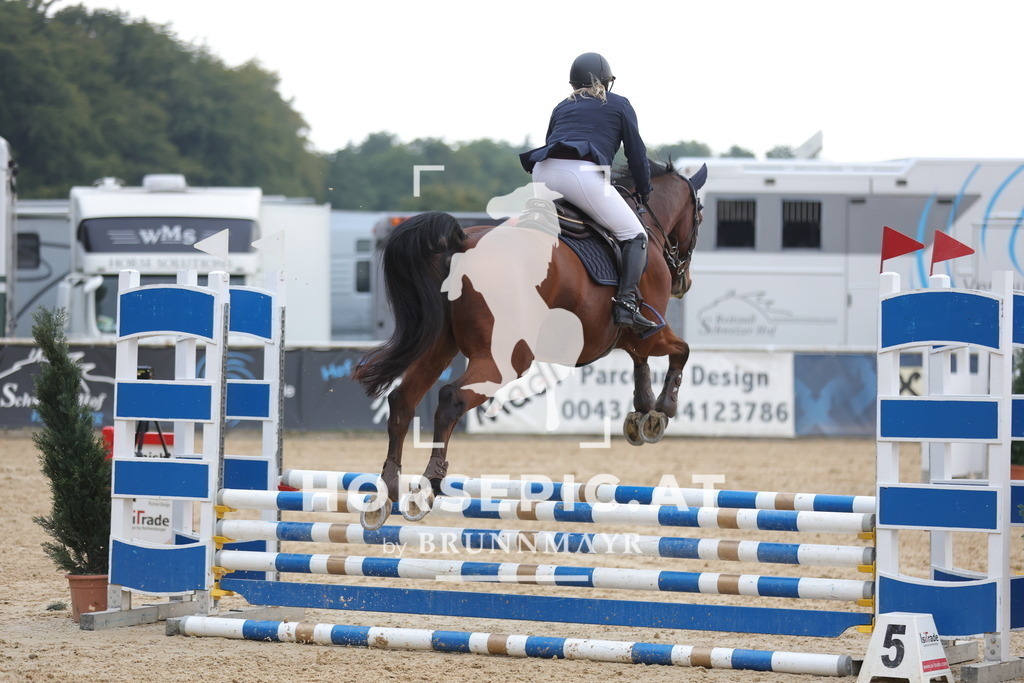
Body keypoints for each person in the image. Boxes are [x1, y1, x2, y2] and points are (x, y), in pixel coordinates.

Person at [520, 51, 657, 335]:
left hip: (542, 171)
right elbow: (636, 155)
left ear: (573, 84)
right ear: (607, 81)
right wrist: (644, 190)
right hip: (580, 174)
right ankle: (627, 305)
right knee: (635, 235)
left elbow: (551, 141)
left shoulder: (561, 106)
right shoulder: (619, 104)